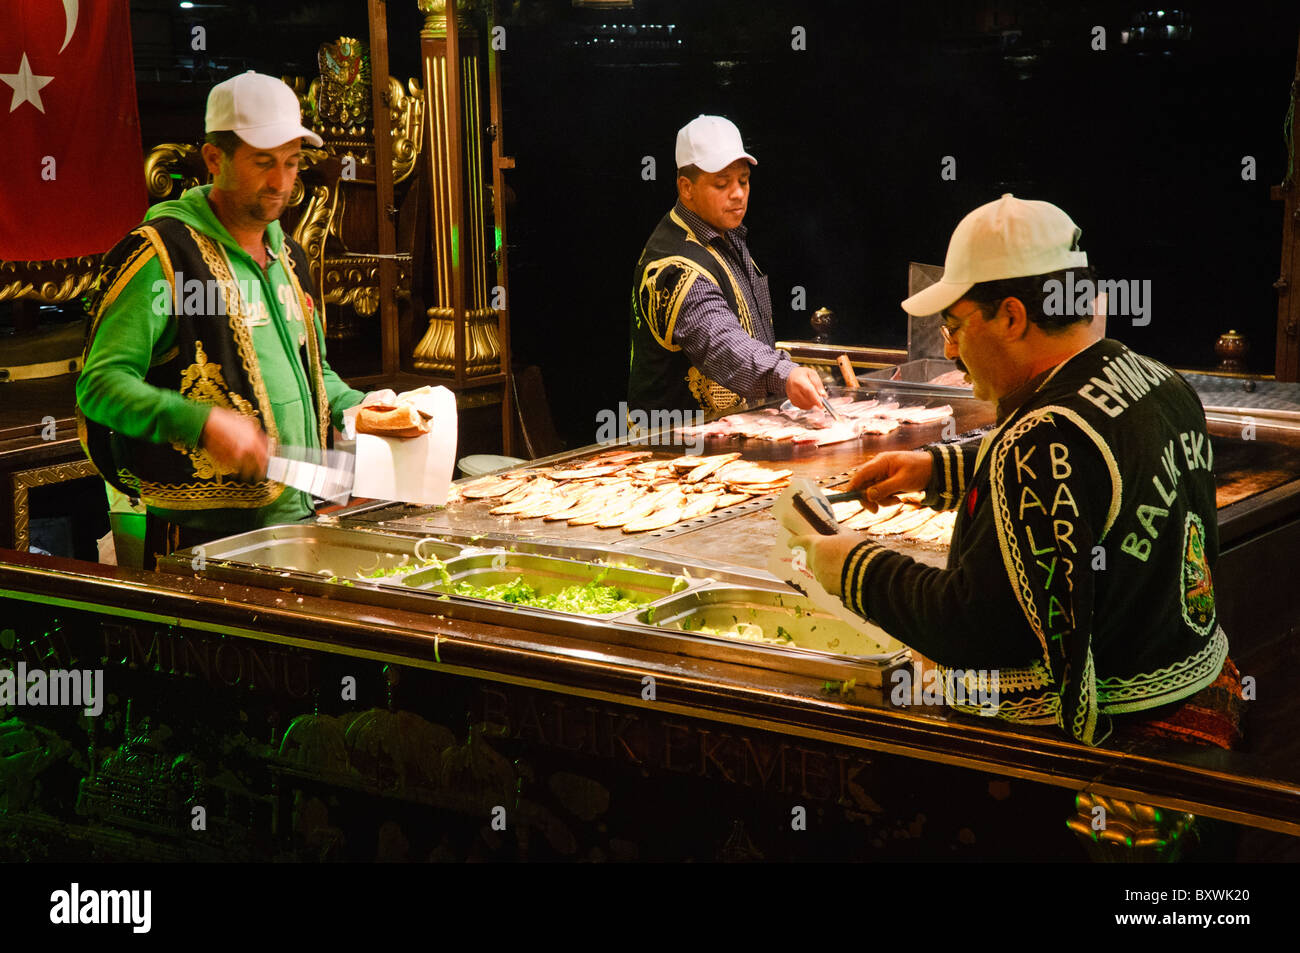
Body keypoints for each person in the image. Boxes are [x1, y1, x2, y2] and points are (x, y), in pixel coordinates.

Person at [785, 194, 1238, 748]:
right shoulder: (1157, 381)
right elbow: (1091, 461)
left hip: (1124, 747)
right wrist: (937, 468)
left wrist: (854, 567)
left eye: (954, 325)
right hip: (1198, 679)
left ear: (1012, 316)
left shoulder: (1042, 435)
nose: (951, 348)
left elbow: (975, 628)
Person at [77, 71, 367, 564]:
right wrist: (202, 423)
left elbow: (316, 374)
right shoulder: (162, 254)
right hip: (198, 542)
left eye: (292, 163)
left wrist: (363, 408)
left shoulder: (290, 258)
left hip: (301, 523)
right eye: (263, 163)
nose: (281, 182)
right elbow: (100, 385)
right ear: (215, 158)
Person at [628, 114, 825, 416]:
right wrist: (783, 374)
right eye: (722, 183)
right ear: (686, 188)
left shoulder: (725, 233)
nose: (738, 193)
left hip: (735, 435)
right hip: (673, 450)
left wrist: (789, 370)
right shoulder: (676, 267)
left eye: (743, 181)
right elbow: (720, 341)